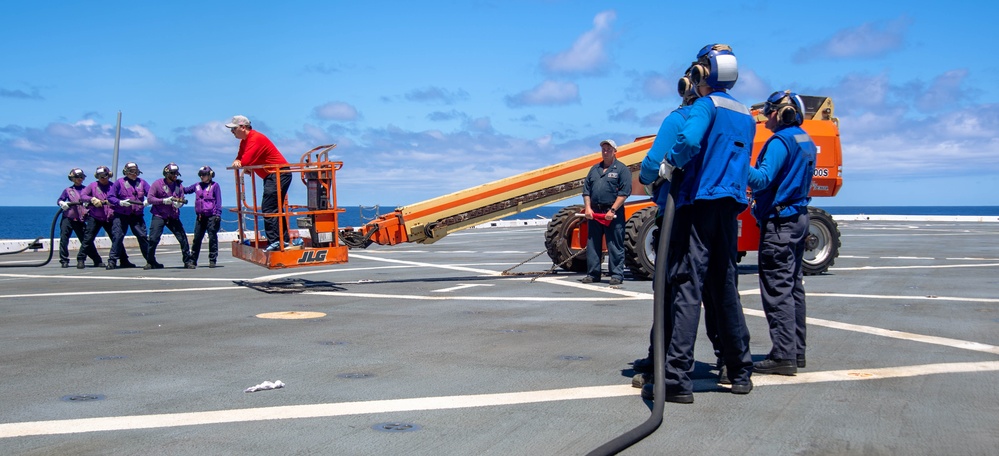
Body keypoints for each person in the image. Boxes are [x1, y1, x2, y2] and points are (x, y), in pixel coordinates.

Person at [643, 44, 756, 403]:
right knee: (724, 289)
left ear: (704, 73)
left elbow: (688, 141)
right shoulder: (746, 115)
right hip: (729, 209)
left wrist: (669, 164)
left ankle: (675, 378)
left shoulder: (706, 107)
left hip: (699, 205)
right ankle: (740, 371)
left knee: (686, 288)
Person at [632, 82, 727, 383]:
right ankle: (729, 361)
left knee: (672, 290)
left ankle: (662, 360)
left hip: (679, 212)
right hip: (716, 212)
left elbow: (650, 164)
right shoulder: (725, 119)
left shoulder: (680, 119)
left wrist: (650, 179)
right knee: (718, 291)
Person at [748, 91, 817, 375]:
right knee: (793, 286)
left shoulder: (780, 142)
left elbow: (762, 179)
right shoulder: (806, 140)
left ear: (783, 113)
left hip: (780, 223)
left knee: (777, 289)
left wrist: (737, 164)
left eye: (771, 111)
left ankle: (783, 355)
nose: (767, 115)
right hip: (799, 218)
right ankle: (795, 351)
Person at [227, 115, 292, 251]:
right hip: (272, 175)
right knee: (274, 208)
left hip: (278, 174)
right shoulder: (245, 141)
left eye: (234, 129)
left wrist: (244, 164)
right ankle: (282, 240)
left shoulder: (255, 138)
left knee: (269, 208)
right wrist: (242, 163)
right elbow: (240, 157)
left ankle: (276, 241)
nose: (232, 132)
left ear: (243, 127)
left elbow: (245, 160)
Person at [580, 139, 632, 285]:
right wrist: (588, 208)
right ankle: (593, 274)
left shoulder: (621, 169)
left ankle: (616, 275)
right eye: (603, 149)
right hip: (595, 212)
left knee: (615, 244)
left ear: (615, 151)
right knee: (593, 244)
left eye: (609, 149)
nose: (605, 151)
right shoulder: (594, 169)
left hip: (613, 213)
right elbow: (586, 191)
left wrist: (613, 209)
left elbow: (624, 192)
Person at [81, 166, 136, 269]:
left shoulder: (113, 186)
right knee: (88, 239)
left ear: (108, 176)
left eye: (104, 176)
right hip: (95, 217)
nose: (102, 178)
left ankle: (124, 260)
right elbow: (82, 196)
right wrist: (92, 199)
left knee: (116, 239)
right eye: (100, 176)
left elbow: (120, 197)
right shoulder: (92, 186)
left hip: (110, 217)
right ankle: (81, 259)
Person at [146, 163, 194, 269]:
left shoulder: (178, 186)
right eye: (173, 173)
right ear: (166, 173)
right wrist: (163, 201)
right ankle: (150, 261)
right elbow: (150, 199)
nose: (175, 176)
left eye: (176, 173)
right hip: (159, 215)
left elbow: (181, 197)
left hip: (173, 216)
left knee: (182, 238)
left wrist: (179, 204)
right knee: (153, 239)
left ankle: (187, 261)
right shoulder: (157, 184)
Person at [105, 162, 150, 269]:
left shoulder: (142, 183)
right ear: (126, 172)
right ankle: (112, 261)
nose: (134, 174)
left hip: (136, 215)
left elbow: (151, 194)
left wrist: (149, 200)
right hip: (121, 215)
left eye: (136, 172)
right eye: (131, 172)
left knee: (142, 236)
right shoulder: (119, 183)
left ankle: (150, 260)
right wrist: (119, 202)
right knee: (118, 236)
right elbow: (110, 197)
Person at [56, 168, 102, 268]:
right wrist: (62, 203)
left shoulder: (86, 190)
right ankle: (64, 260)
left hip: (81, 219)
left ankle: (96, 260)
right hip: (68, 218)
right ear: (72, 178)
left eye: (81, 177)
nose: (79, 179)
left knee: (86, 240)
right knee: (64, 239)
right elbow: (60, 200)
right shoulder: (68, 190)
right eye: (77, 177)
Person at [185, 166, 223, 268]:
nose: (202, 177)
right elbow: (186, 190)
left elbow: (218, 201)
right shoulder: (197, 186)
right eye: (200, 175)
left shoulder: (215, 186)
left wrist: (218, 215)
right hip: (200, 217)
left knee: (212, 238)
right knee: (197, 239)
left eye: (204, 175)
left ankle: (212, 259)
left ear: (210, 175)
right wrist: (177, 186)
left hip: (212, 217)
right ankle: (193, 260)